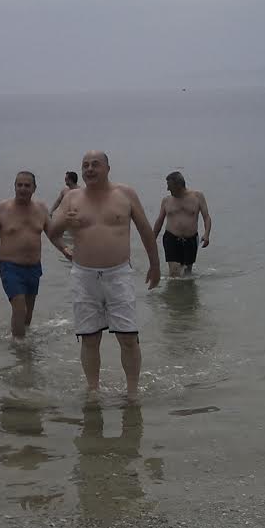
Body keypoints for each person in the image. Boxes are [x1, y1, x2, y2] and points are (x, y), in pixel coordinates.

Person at [47, 150, 160, 400]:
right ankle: (93, 390)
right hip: (84, 276)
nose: (89, 169)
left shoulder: (125, 194)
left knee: (128, 336)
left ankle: (132, 392)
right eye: (85, 165)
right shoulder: (72, 198)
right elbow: (52, 231)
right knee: (89, 338)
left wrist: (155, 265)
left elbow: (145, 230)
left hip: (118, 273)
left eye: (95, 164)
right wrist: (65, 232)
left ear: (108, 168)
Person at [0, 171, 72, 339]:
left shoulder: (41, 209)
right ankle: (19, 347)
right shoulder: (2, 209)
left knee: (27, 315)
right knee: (19, 308)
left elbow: (52, 235)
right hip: (10, 268)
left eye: (27, 185)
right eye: (19, 185)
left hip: (34, 268)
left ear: (34, 188)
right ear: (14, 187)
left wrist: (65, 250)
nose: (23, 188)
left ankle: (22, 339)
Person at [151, 171, 211, 277]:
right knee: (174, 272)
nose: (167, 189)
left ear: (178, 185)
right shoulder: (166, 200)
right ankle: (173, 288)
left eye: (169, 186)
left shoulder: (198, 196)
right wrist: (151, 239)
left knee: (187, 274)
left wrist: (206, 234)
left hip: (191, 239)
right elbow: (159, 221)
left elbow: (206, 217)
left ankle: (186, 288)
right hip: (171, 238)